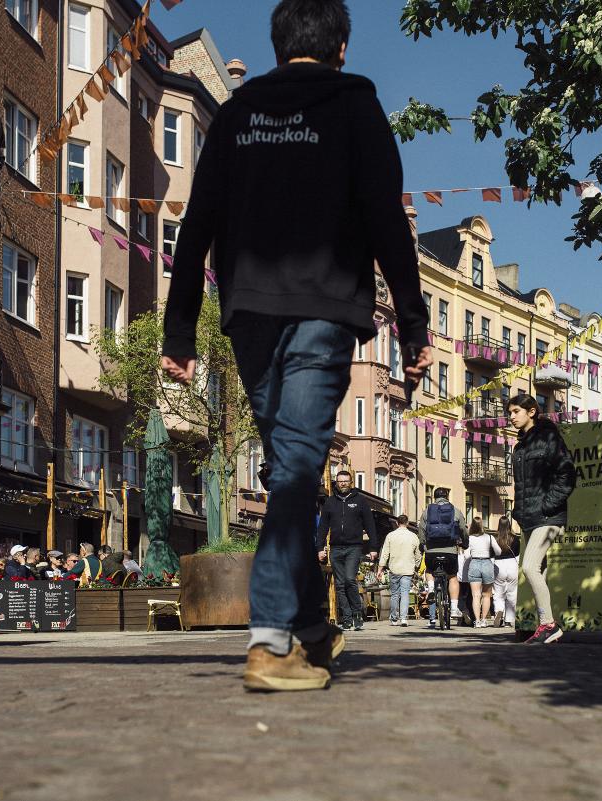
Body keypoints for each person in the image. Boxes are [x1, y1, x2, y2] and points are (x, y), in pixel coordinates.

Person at [161, 0, 431, 692]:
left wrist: (179, 329)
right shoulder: (355, 105)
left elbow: (197, 223)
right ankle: (270, 640)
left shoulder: (238, 114)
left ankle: (311, 627)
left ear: (278, 46)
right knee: (298, 465)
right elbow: (386, 218)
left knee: (291, 466)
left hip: (249, 312)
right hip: (323, 307)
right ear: (341, 47)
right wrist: (413, 326)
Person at [508, 393, 576, 645]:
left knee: (529, 567)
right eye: (510, 412)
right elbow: (521, 485)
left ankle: (549, 625)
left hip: (548, 516)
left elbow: (567, 473)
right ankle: (544, 626)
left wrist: (549, 504)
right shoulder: (519, 447)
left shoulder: (549, 438)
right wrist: (518, 512)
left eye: (516, 411)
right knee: (539, 570)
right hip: (528, 518)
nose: (511, 417)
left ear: (531, 412)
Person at [317, 471, 379, 632]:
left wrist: (373, 548)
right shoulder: (330, 502)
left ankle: (357, 613)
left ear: (351, 482)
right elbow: (322, 527)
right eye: (340, 481)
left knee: (350, 579)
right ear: (336, 483)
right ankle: (346, 618)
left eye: (346, 481)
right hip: (335, 548)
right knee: (339, 584)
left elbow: (370, 525)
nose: (343, 483)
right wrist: (320, 548)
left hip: (354, 547)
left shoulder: (360, 501)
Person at [418, 487, 466, 621]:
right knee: (452, 577)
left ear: (434, 497)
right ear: (447, 497)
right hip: (450, 550)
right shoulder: (455, 510)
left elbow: (421, 529)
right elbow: (463, 529)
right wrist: (464, 543)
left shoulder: (427, 511)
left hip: (431, 550)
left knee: (429, 570)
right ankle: (454, 608)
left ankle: (431, 589)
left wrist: (423, 544)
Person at [376, 514, 421, 626]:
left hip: (394, 569)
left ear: (397, 523)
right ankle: (404, 618)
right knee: (405, 593)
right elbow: (418, 555)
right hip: (407, 569)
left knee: (395, 594)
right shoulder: (413, 536)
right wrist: (416, 566)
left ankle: (394, 618)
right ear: (407, 523)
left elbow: (385, 554)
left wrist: (380, 569)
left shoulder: (390, 536)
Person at [465, 519, 500, 627]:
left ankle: (477, 621)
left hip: (474, 563)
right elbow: (498, 551)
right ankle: (484, 620)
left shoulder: (470, 538)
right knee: (486, 595)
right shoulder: (489, 537)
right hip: (487, 564)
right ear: (482, 526)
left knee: (476, 595)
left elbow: (466, 555)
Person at [491, 516, 520, 628]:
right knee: (512, 593)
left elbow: (492, 553)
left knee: (498, 593)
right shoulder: (515, 538)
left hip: (498, 565)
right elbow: (517, 554)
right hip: (512, 565)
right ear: (509, 524)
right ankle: (509, 620)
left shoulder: (495, 538)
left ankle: (499, 610)